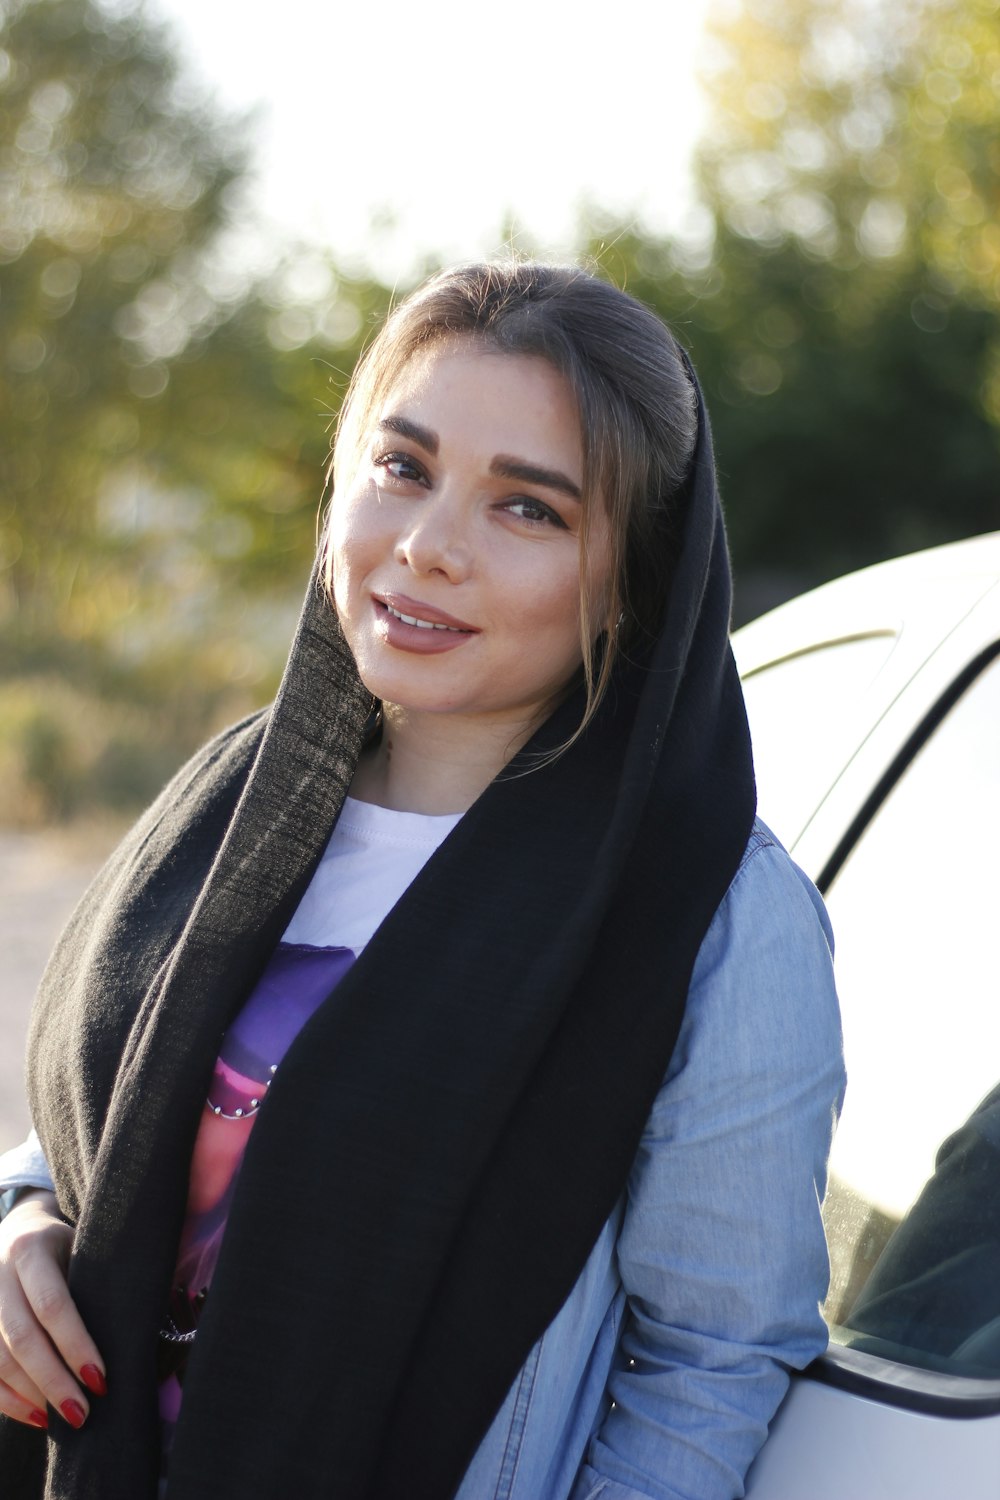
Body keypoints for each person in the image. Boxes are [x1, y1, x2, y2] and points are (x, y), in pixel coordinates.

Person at [0, 261, 844, 1500]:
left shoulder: (712, 914)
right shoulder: (236, 807)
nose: (428, 547)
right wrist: (23, 1221)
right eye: (403, 468)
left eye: (529, 510)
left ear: (631, 585)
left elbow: (710, 1363)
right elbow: (103, 1120)